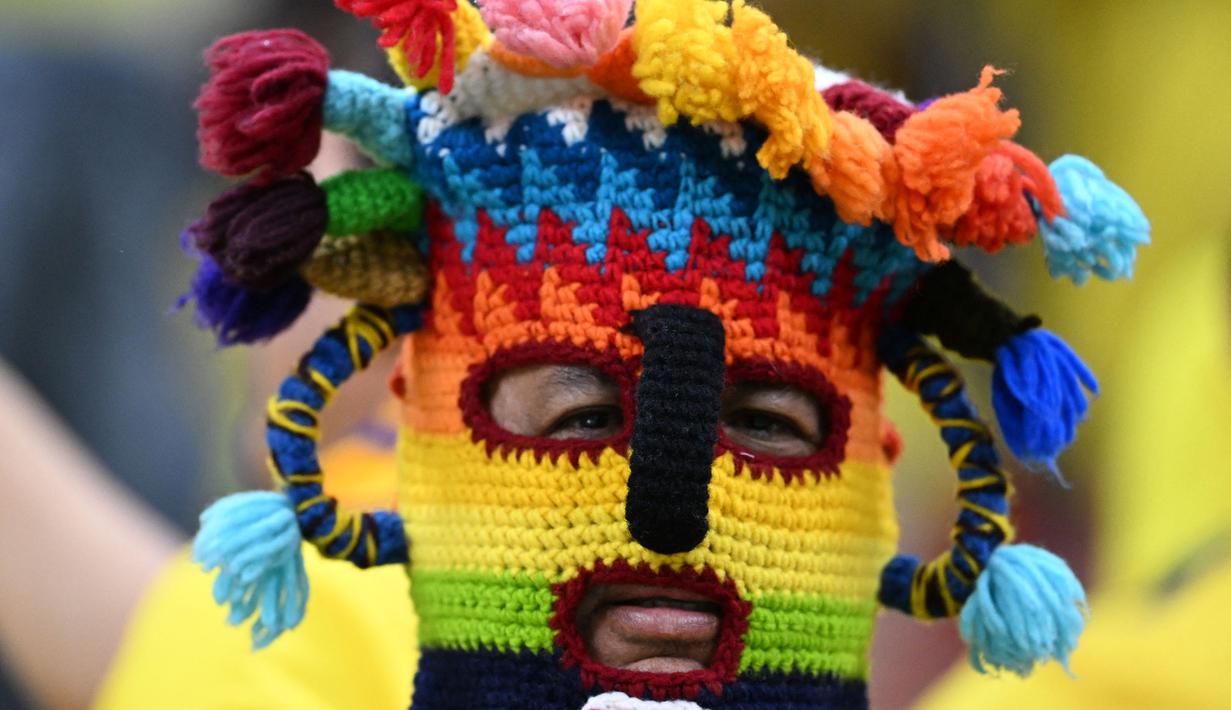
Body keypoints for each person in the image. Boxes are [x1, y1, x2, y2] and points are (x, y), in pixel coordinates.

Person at [103, 1, 1149, 707]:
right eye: (583, 413)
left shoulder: (291, 633)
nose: (670, 516)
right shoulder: (321, 625)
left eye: (770, 423)